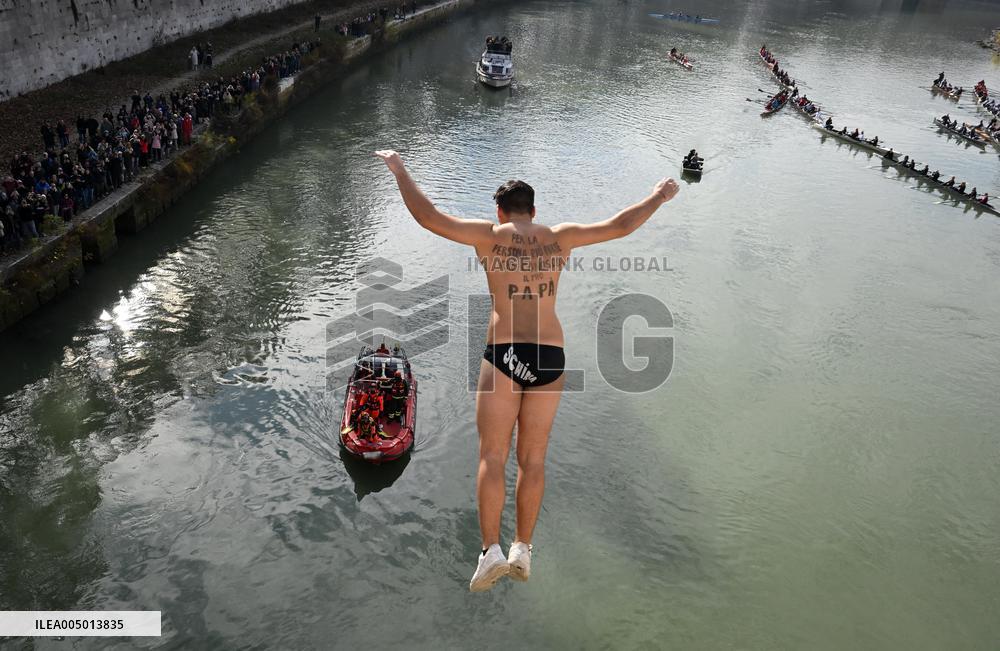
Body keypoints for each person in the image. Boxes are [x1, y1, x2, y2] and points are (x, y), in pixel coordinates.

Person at [374, 149, 680, 592]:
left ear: (499, 211)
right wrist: (657, 196)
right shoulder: (560, 237)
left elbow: (427, 217)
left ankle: (490, 551)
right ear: (534, 210)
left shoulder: (489, 236)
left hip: (504, 354)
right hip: (551, 358)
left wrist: (399, 168)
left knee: (492, 457)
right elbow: (620, 225)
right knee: (533, 458)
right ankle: (523, 548)